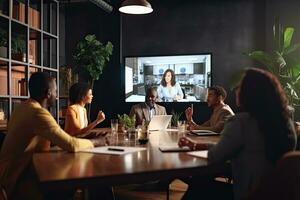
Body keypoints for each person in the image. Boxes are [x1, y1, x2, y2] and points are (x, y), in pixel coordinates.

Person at [179, 68, 297, 200]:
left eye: (240, 87)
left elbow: (215, 156)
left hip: (249, 195)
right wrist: (196, 145)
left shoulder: (240, 122)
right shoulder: (286, 123)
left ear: (250, 93)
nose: (236, 90)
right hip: (277, 194)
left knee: (198, 186)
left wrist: (196, 147)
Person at [0, 72, 108, 199]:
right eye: (56, 91)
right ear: (48, 93)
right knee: (73, 179)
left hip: (11, 174)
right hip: (17, 182)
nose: (57, 96)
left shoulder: (23, 107)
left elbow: (57, 139)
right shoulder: (38, 113)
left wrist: (88, 138)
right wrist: (98, 142)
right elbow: (71, 144)